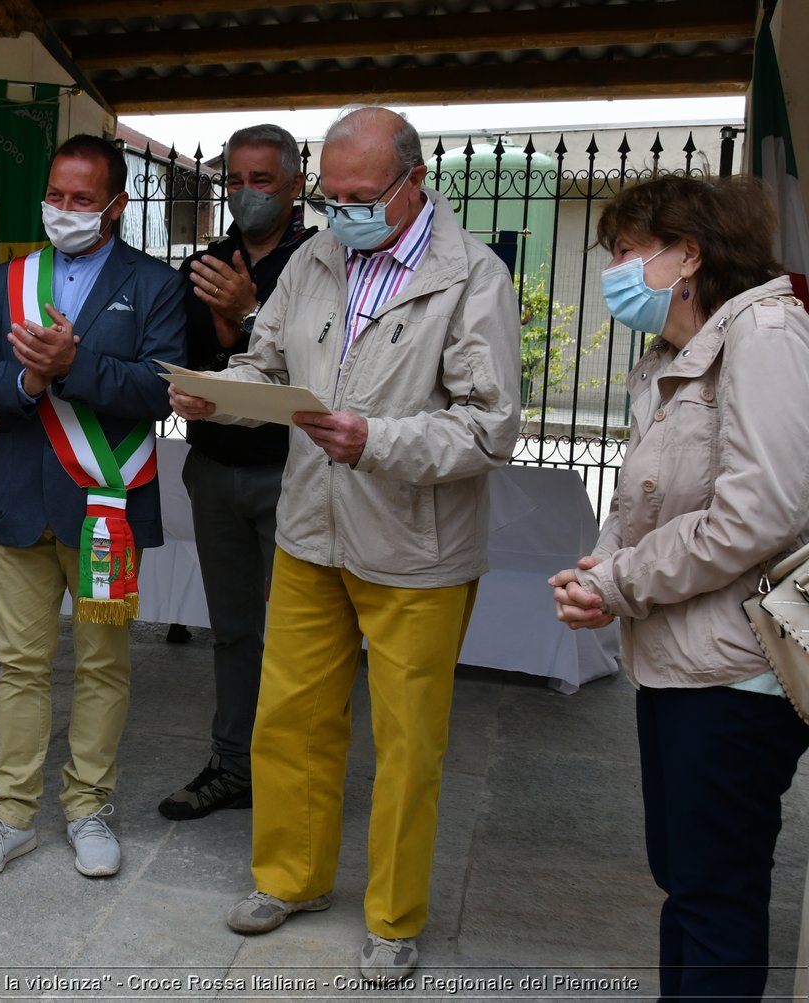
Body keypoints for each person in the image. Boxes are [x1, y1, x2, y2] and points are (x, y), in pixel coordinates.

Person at [170, 106, 520, 983]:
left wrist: (379, 441)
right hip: (309, 529)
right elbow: (271, 361)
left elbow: (489, 429)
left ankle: (394, 916)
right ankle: (289, 877)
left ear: (414, 184)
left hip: (416, 545)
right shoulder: (318, 257)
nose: (344, 210)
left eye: (362, 195)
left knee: (407, 745)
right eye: (333, 194)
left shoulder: (470, 276)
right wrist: (221, 391)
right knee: (289, 717)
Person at [549, 176, 809, 1002]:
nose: (615, 270)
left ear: (688, 252)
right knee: (687, 876)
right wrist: (598, 572)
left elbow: (760, 511)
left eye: (627, 251)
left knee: (715, 887)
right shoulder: (674, 355)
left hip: (739, 669)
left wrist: (621, 582)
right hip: (680, 657)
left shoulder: (765, 332)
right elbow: (645, 503)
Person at [0, 134, 186, 881]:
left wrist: (72, 366)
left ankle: (88, 807)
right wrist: (25, 384)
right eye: (56, 195)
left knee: (101, 664)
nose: (64, 210)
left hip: (106, 507)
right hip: (20, 506)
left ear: (115, 205)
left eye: (83, 199)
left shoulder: (154, 285)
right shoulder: (10, 280)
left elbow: (160, 390)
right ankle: (13, 812)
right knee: (19, 665)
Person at [159, 123, 317, 821]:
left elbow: (313, 368)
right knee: (232, 631)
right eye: (235, 182)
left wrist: (247, 313)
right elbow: (188, 355)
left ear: (295, 186)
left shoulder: (324, 262)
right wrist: (227, 323)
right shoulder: (205, 262)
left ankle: (295, 775)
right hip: (216, 469)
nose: (246, 196)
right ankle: (232, 761)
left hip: (297, 474)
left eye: (262, 182)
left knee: (301, 635)